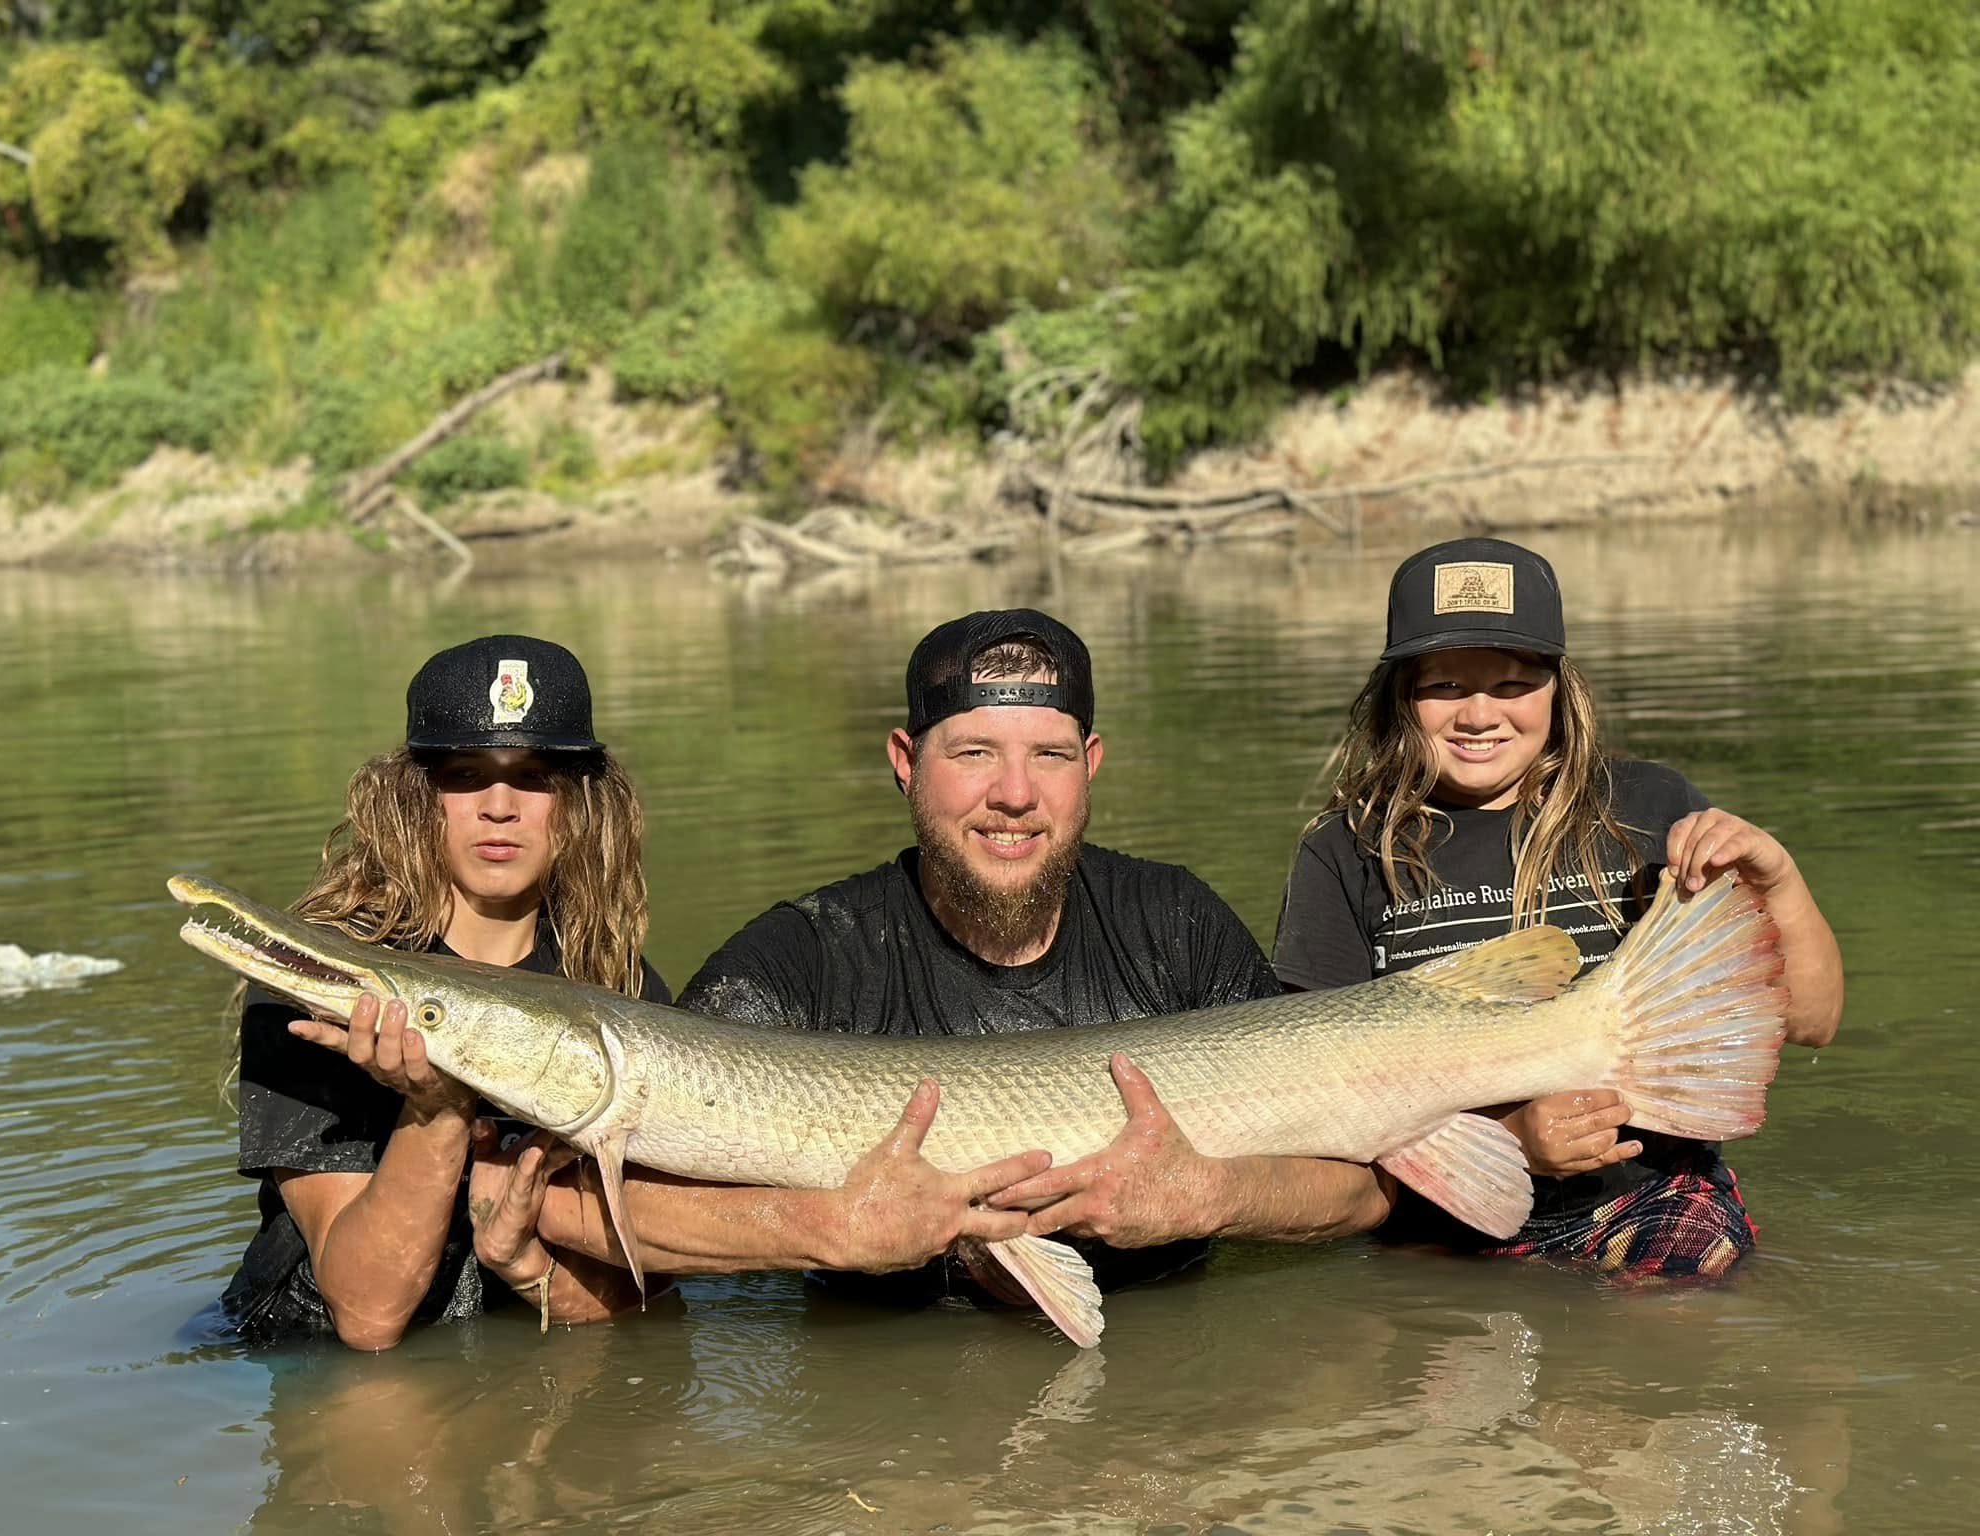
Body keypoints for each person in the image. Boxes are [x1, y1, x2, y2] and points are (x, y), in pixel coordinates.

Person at [536, 608, 1395, 1310]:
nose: (1014, 793)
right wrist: (824, 1226)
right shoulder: (798, 959)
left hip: (1161, 1389)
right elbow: (580, 1203)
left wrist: (1215, 1197)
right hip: (886, 1409)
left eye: (1049, 755)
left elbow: (1362, 1190)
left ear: (1089, 767)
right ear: (907, 764)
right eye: (974, 752)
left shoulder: (1176, 923)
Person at [1272, 538, 1843, 1279]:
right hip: (1440, 1220)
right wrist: (1513, 1138)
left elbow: (1810, 1022)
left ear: (1556, 688)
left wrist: (1781, 879)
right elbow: (1312, 1100)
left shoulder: (1648, 808)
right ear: (1400, 697)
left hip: (1646, 1201)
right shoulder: (1339, 852)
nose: (1479, 715)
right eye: (1444, 685)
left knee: (1678, 1350)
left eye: (1512, 684)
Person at [219, 634, 675, 1348]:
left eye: (533, 776)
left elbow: (653, 1295)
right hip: (310, 1360)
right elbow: (368, 1321)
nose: (500, 807)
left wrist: (525, 1267)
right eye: (465, 774)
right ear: (415, 798)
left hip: (518, 1347)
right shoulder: (319, 983)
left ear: (583, 804)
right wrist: (435, 1108)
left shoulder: (619, 985)